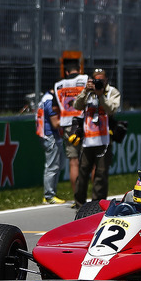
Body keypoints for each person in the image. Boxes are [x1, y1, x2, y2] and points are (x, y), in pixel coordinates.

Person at [72, 68, 121, 208]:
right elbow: (76, 105)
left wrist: (100, 96)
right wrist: (85, 91)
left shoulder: (112, 92)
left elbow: (112, 109)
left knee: (101, 173)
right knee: (83, 172)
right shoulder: (88, 93)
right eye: (96, 80)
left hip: (104, 140)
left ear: (106, 80)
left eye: (102, 80)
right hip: (88, 140)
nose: (99, 82)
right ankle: (79, 203)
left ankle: (97, 205)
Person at [54, 63, 88, 196]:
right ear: (79, 70)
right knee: (90, 160)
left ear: (66, 72)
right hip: (84, 123)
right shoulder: (85, 79)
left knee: (73, 162)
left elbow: (56, 107)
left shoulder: (59, 85)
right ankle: (96, 198)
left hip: (68, 125)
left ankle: (77, 197)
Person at [36, 88, 66, 204]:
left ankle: (50, 193)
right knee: (52, 166)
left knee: (58, 165)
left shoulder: (46, 98)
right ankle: (49, 195)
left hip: (48, 135)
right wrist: (70, 118)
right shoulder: (50, 101)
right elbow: (55, 123)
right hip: (50, 136)